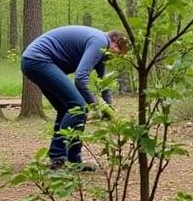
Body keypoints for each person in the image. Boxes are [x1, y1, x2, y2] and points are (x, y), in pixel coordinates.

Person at [20, 25, 129, 169]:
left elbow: (103, 83)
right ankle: (58, 159)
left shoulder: (102, 49)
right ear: (114, 42)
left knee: (67, 108)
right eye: (119, 53)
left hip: (33, 61)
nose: (117, 57)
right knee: (79, 107)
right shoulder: (100, 41)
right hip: (38, 60)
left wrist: (108, 108)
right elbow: (81, 77)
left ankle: (72, 160)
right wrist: (95, 106)